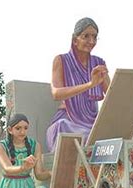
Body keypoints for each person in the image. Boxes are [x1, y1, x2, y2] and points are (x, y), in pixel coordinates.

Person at [46, 17, 110, 152]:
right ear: (75, 40)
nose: (91, 41)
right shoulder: (61, 60)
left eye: (94, 37)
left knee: (104, 135)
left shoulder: (99, 63)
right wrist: (90, 85)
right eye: (86, 36)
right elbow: (56, 93)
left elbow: (111, 95)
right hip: (68, 119)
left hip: (92, 121)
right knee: (61, 126)